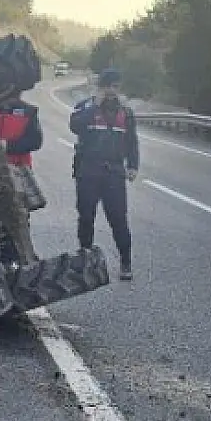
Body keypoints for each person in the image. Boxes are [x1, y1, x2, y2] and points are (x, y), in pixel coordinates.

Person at [69, 69, 139, 280]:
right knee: (86, 217)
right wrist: (95, 106)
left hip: (114, 173)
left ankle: (126, 263)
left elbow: (132, 141)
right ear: (100, 87)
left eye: (115, 87)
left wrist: (133, 165)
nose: (111, 91)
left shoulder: (126, 112)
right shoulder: (85, 108)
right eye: (107, 86)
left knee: (118, 219)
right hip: (88, 170)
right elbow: (75, 126)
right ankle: (86, 261)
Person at [0, 90, 46, 223]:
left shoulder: (28, 111)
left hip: (19, 170)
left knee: (19, 215)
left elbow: (35, 141)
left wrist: (7, 146)